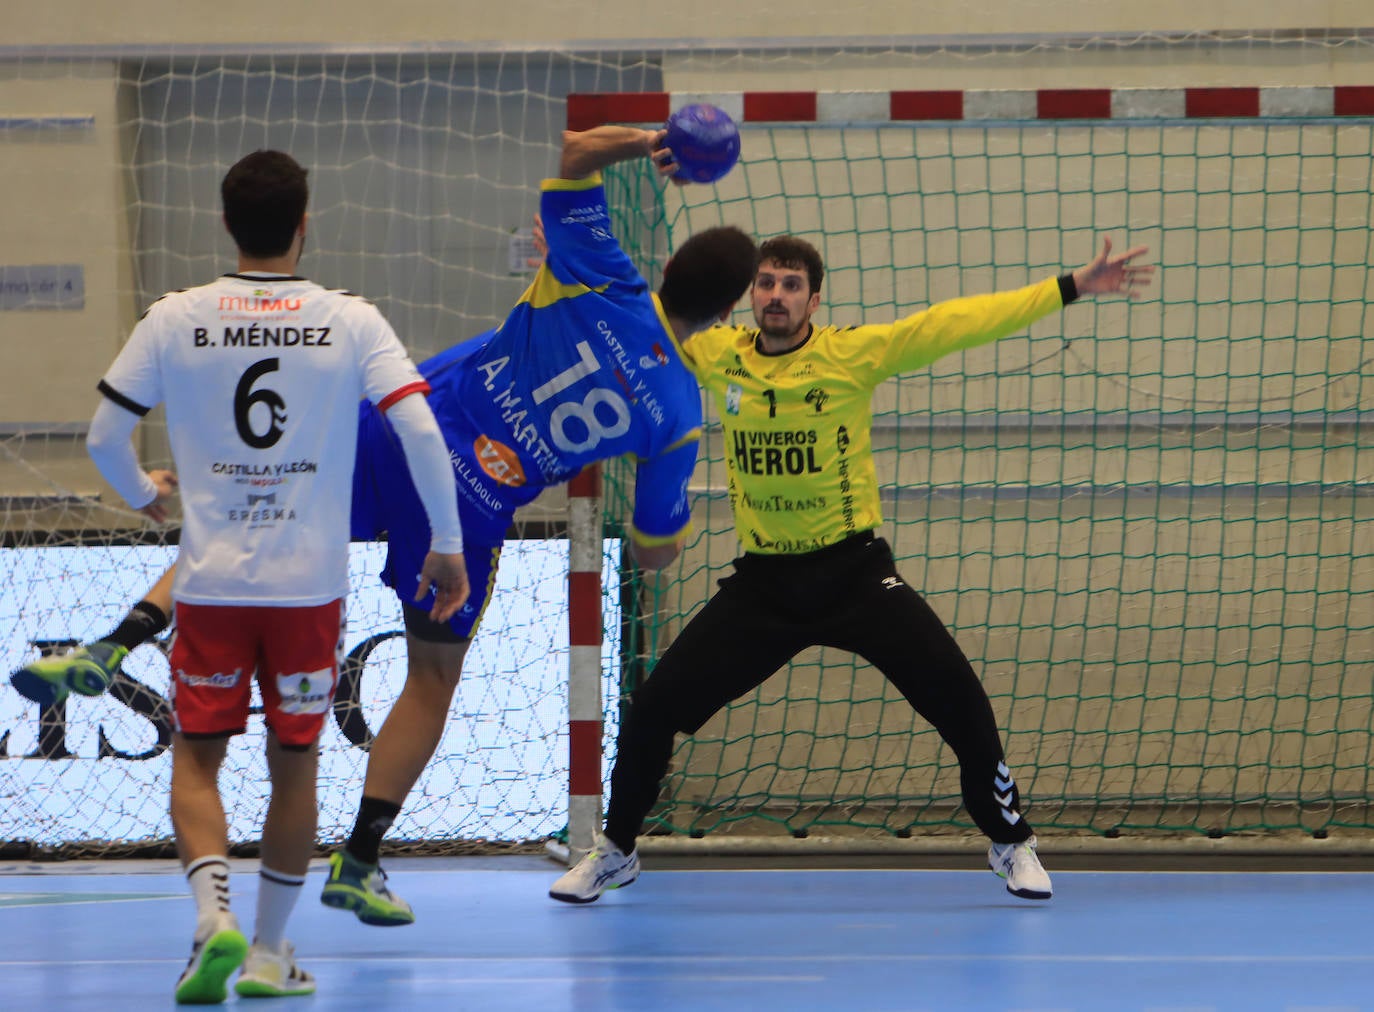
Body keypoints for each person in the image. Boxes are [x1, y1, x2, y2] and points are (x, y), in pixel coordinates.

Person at [12, 126, 761, 926]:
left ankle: (114, 644)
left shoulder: (598, 275)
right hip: (468, 505)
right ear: (726, 311)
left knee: (252, 530)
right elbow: (651, 552)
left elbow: (575, 149)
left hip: (397, 434)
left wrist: (651, 140)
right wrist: (662, 530)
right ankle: (360, 858)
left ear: (667, 267)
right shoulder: (679, 416)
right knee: (432, 679)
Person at [548, 232, 1154, 905]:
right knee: (655, 709)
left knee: (962, 703)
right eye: (766, 283)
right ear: (748, 295)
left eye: (790, 285)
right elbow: (634, 316)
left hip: (857, 576)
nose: (775, 295)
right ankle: (617, 851)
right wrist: (567, 263)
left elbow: (954, 323)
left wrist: (1070, 285)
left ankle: (1012, 842)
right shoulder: (715, 354)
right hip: (764, 587)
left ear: (814, 299)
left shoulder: (851, 355)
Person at [43, 150, 470, 1004]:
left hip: (209, 587)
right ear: (305, 223)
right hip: (307, 591)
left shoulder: (175, 317)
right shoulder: (350, 319)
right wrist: (447, 544)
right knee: (296, 769)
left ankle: (213, 919)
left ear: (226, 223)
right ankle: (271, 956)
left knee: (198, 760)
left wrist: (143, 498)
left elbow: (100, 438)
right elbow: (421, 429)